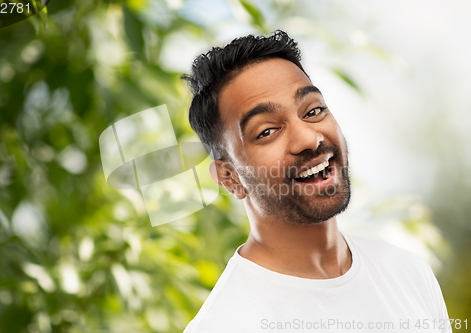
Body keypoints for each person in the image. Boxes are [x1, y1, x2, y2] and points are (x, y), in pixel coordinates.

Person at [181, 30, 451, 333]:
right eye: (267, 131)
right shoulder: (225, 325)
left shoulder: (408, 274)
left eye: (313, 110)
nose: (309, 138)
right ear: (229, 177)